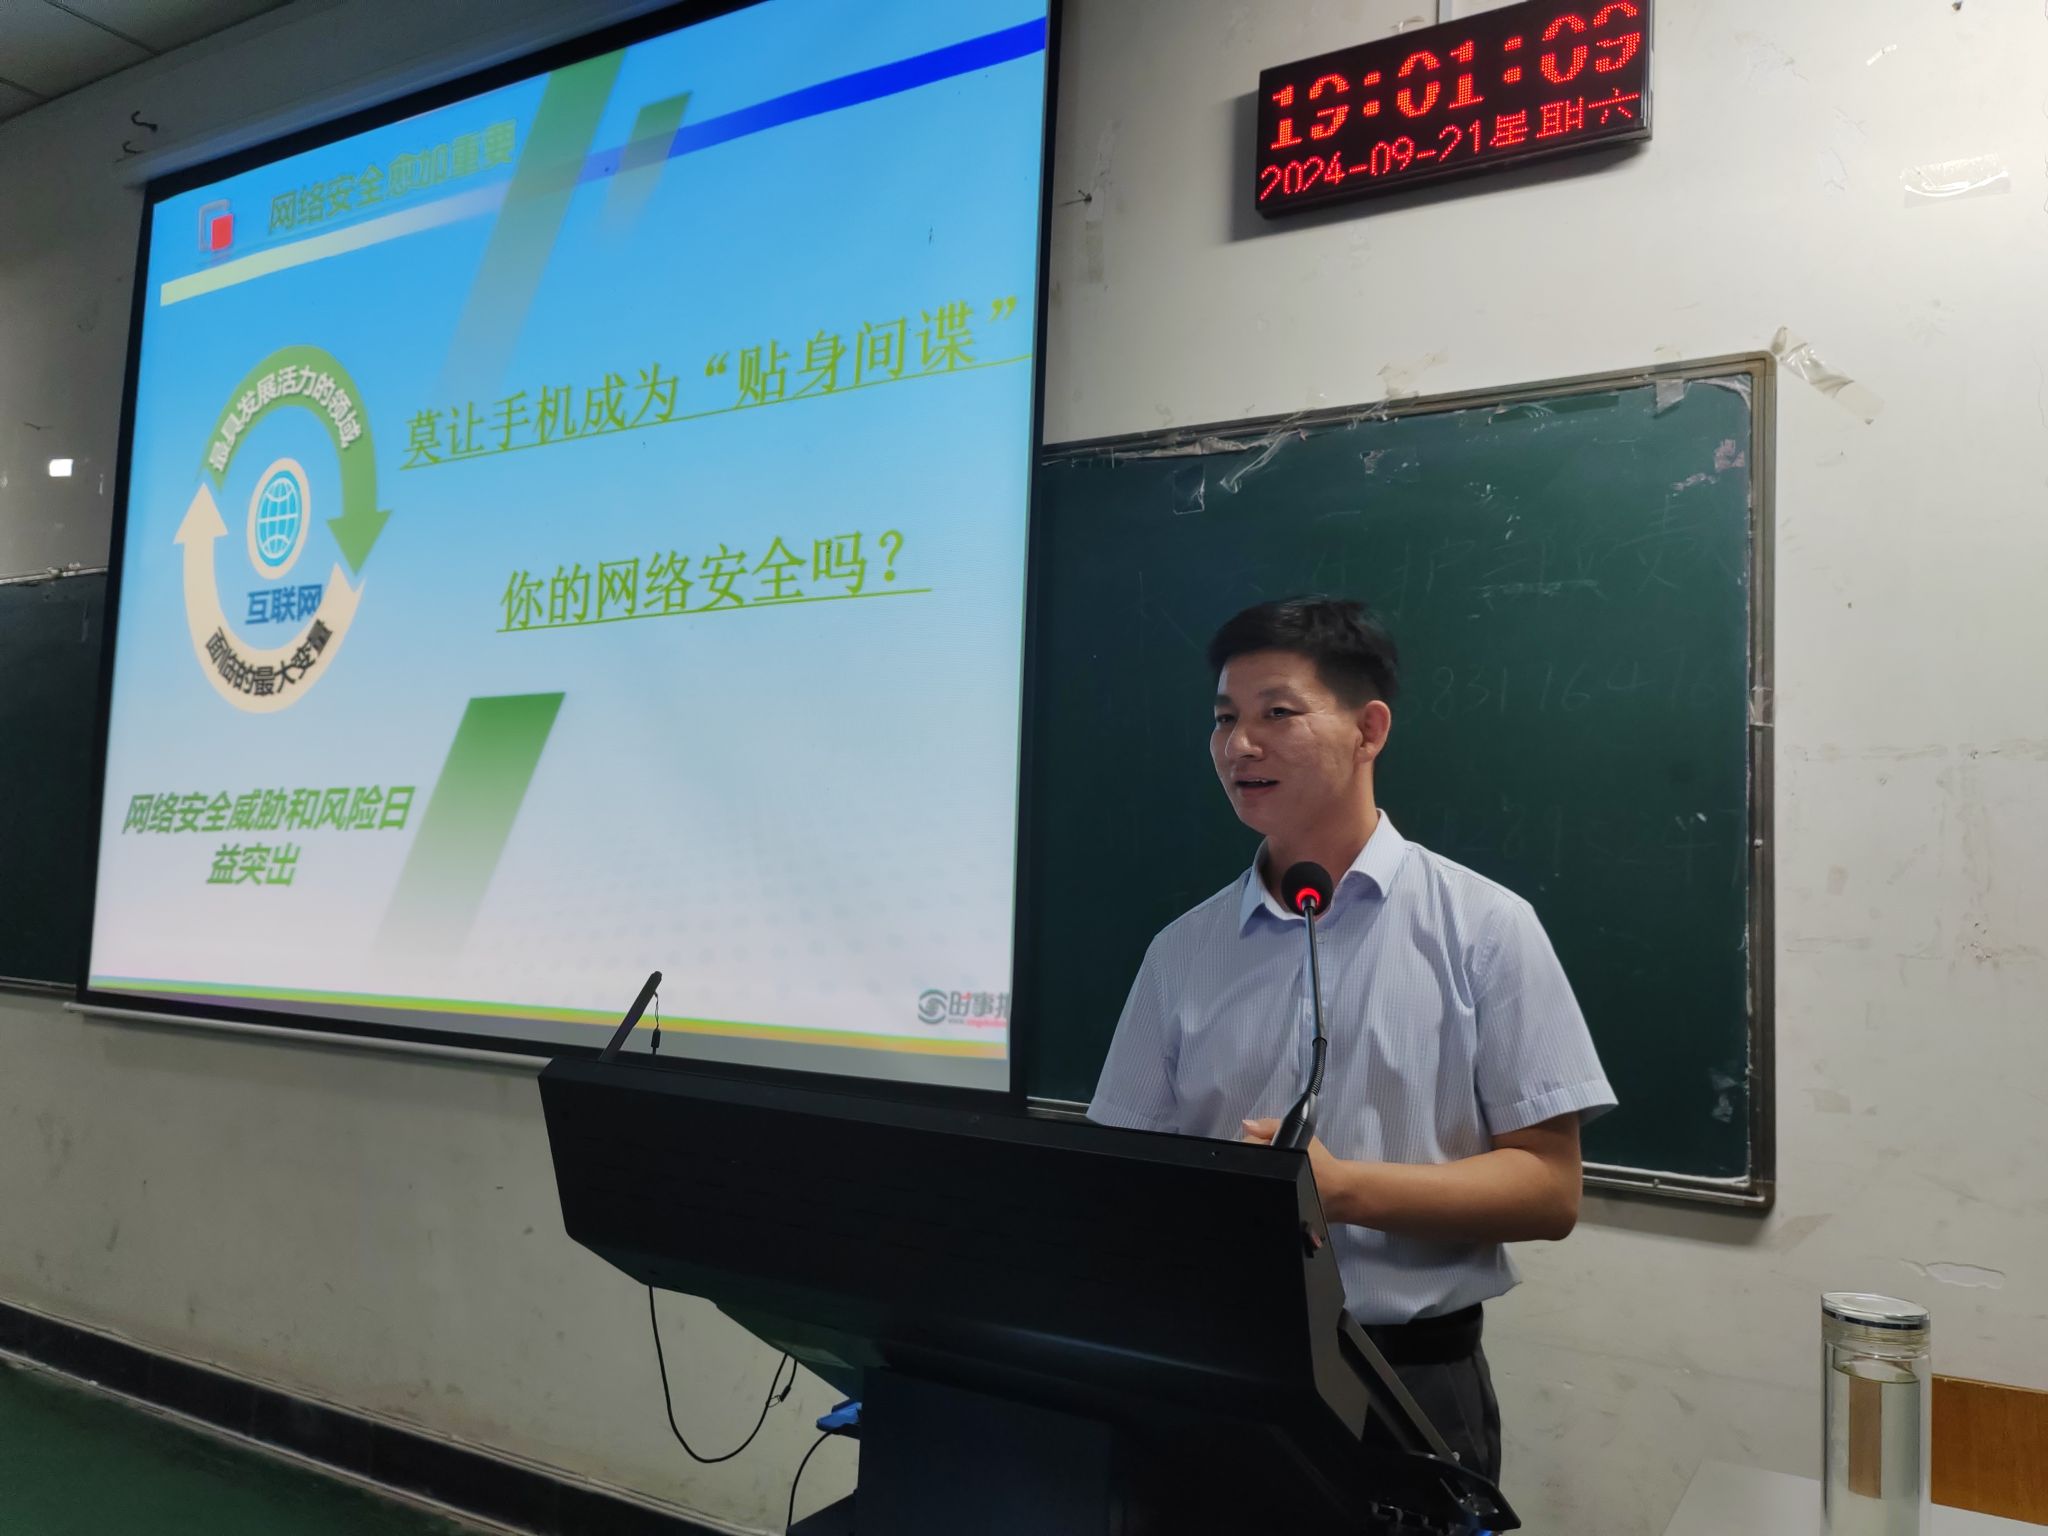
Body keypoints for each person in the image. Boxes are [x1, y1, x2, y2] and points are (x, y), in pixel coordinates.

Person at [1087, 596, 1615, 1485]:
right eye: (1223, 718)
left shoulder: (1485, 928)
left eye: (1276, 713)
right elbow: (1119, 1171)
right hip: (1211, 1376)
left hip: (1409, 1387)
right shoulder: (1182, 950)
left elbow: (1549, 1190)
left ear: (1369, 729)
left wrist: (1341, 1192)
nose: (1239, 745)